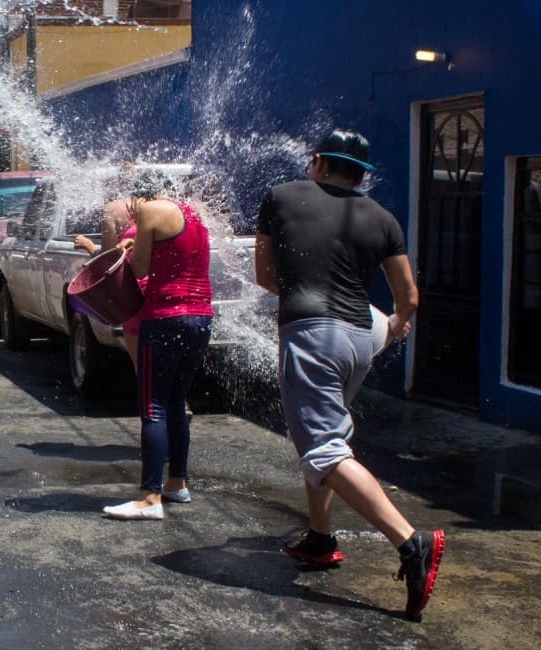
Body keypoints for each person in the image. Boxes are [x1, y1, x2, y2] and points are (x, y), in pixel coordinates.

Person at [254, 129, 444, 622]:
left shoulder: (281, 197)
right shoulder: (383, 218)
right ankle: (320, 537)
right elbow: (410, 299)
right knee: (328, 438)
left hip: (311, 331)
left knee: (323, 446)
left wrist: (302, 294)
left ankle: (410, 541)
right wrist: (398, 327)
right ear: (362, 175)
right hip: (361, 337)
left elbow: (265, 277)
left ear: (318, 162)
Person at [101, 172, 213, 520]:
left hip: (164, 315)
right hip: (201, 317)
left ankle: (150, 497)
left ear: (140, 198)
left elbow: (139, 270)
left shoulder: (149, 213)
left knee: (153, 407)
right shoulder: (194, 215)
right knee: (176, 401)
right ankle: (177, 484)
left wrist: (127, 244)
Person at [74, 193, 144, 369]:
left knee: (143, 371)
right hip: (166, 297)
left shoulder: (113, 209)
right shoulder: (168, 209)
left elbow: (109, 261)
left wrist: (89, 247)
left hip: (134, 296)